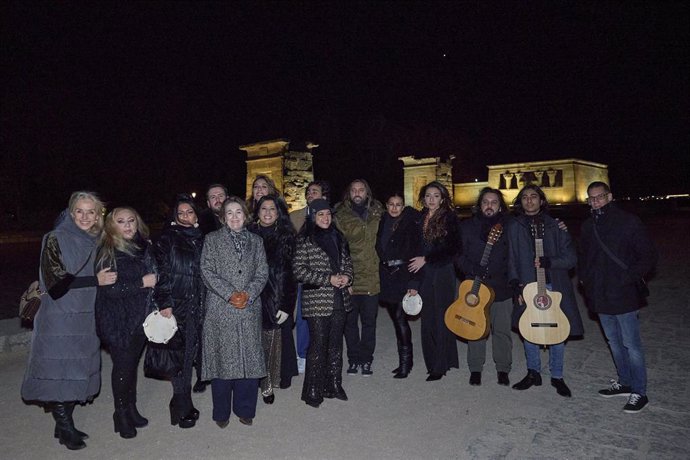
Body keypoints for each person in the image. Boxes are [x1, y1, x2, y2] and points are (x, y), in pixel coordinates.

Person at [21, 191, 115, 451]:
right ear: (71, 212)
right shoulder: (54, 238)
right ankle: (65, 426)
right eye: (79, 211)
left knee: (76, 370)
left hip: (86, 316)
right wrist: (96, 280)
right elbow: (56, 284)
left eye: (91, 212)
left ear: (98, 215)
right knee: (59, 371)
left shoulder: (98, 240)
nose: (85, 217)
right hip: (59, 317)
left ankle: (63, 424)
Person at [579, 181, 657, 413]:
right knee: (613, 342)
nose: (596, 202)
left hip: (623, 294)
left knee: (631, 344)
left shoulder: (628, 221)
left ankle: (639, 391)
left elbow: (648, 256)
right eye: (591, 199)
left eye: (600, 197)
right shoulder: (587, 225)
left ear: (610, 196)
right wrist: (585, 280)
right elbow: (583, 256)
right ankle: (625, 382)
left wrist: (627, 278)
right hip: (599, 294)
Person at [508, 184, 584, 397]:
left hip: (554, 285)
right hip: (527, 285)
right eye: (525, 197)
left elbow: (571, 259)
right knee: (528, 330)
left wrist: (549, 261)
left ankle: (557, 375)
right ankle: (533, 372)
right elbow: (512, 258)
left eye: (534, 196)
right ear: (520, 202)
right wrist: (516, 284)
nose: (529, 200)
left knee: (557, 331)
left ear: (542, 201)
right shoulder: (515, 226)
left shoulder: (556, 226)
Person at [201, 196, 268, 428]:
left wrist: (248, 294)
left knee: (248, 360)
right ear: (222, 217)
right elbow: (207, 271)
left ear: (245, 215)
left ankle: (245, 409)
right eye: (229, 213)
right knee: (223, 361)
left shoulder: (256, 241)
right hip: (222, 308)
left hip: (249, 307)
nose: (234, 216)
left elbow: (262, 272)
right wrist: (230, 294)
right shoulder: (211, 240)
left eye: (238, 212)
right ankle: (221, 413)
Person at [95, 207, 156, 439]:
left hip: (139, 317)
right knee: (122, 368)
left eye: (132, 220)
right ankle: (120, 415)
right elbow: (109, 290)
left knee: (131, 366)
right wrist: (142, 282)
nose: (128, 226)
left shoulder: (142, 246)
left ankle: (131, 408)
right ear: (112, 225)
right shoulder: (107, 250)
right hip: (117, 319)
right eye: (121, 221)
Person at [293, 198, 353, 407]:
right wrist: (328, 279)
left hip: (340, 299)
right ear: (312, 216)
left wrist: (347, 277)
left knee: (336, 346)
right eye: (321, 214)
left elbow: (347, 263)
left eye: (328, 214)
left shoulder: (339, 236)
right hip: (317, 300)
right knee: (318, 346)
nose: (326, 218)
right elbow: (299, 271)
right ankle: (312, 390)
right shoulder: (305, 240)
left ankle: (334, 385)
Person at [154, 194, 205, 428]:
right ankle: (183, 405)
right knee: (178, 356)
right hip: (176, 306)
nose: (185, 216)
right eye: (181, 213)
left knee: (191, 354)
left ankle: (179, 403)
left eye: (190, 212)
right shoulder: (167, 238)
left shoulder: (202, 238)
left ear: (196, 214)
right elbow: (161, 273)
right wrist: (164, 301)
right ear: (175, 216)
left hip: (198, 305)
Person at [458, 187, 513, 386]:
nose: (489, 206)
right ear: (479, 205)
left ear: (500, 206)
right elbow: (458, 256)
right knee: (475, 327)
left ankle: (503, 368)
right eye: (485, 202)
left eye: (494, 202)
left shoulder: (510, 226)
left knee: (501, 330)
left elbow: (517, 255)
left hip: (502, 286)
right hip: (476, 285)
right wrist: (473, 269)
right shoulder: (467, 227)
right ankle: (475, 367)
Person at [408, 181, 461, 381]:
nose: (431, 199)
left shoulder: (450, 218)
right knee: (427, 319)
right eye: (428, 195)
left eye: (436, 195)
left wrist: (427, 259)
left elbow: (454, 249)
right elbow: (414, 251)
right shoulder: (419, 218)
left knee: (441, 318)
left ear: (443, 198)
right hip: (423, 273)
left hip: (442, 272)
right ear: (423, 198)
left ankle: (440, 365)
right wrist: (412, 282)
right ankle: (432, 362)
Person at [248, 194, 298, 402]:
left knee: (279, 341)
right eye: (264, 209)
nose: (268, 213)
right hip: (253, 297)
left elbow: (291, 275)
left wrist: (287, 305)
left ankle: (275, 377)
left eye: (272, 209)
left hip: (278, 297)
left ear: (278, 213)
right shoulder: (248, 234)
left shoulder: (287, 236)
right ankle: (259, 381)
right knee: (254, 342)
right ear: (257, 212)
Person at [334, 179, 383, 376]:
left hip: (372, 275)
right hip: (350, 277)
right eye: (353, 189)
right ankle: (354, 359)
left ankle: (366, 359)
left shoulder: (378, 212)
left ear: (367, 192)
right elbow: (338, 249)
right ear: (349, 193)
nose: (357, 193)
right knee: (350, 322)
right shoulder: (340, 215)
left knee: (370, 322)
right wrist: (345, 277)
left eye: (361, 189)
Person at [375, 192, 422, 378]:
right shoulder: (382, 221)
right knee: (396, 320)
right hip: (387, 276)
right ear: (386, 205)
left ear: (403, 207)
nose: (394, 208)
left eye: (398, 204)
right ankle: (404, 361)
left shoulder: (410, 224)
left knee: (401, 320)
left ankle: (406, 363)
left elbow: (416, 251)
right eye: (391, 204)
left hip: (403, 275)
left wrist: (414, 282)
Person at [289, 180, 331, 374]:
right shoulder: (295, 217)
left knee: (324, 316)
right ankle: (303, 355)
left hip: (325, 275)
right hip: (303, 276)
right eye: (309, 192)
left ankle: (323, 352)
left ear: (323, 196)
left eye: (315, 192)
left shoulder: (329, 217)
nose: (311, 195)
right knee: (303, 317)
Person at [194, 183, 228, 393]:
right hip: (206, 285)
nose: (217, 199)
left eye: (220, 195)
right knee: (204, 332)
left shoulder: (238, 218)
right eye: (212, 196)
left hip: (234, 284)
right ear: (207, 202)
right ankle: (202, 374)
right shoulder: (200, 224)